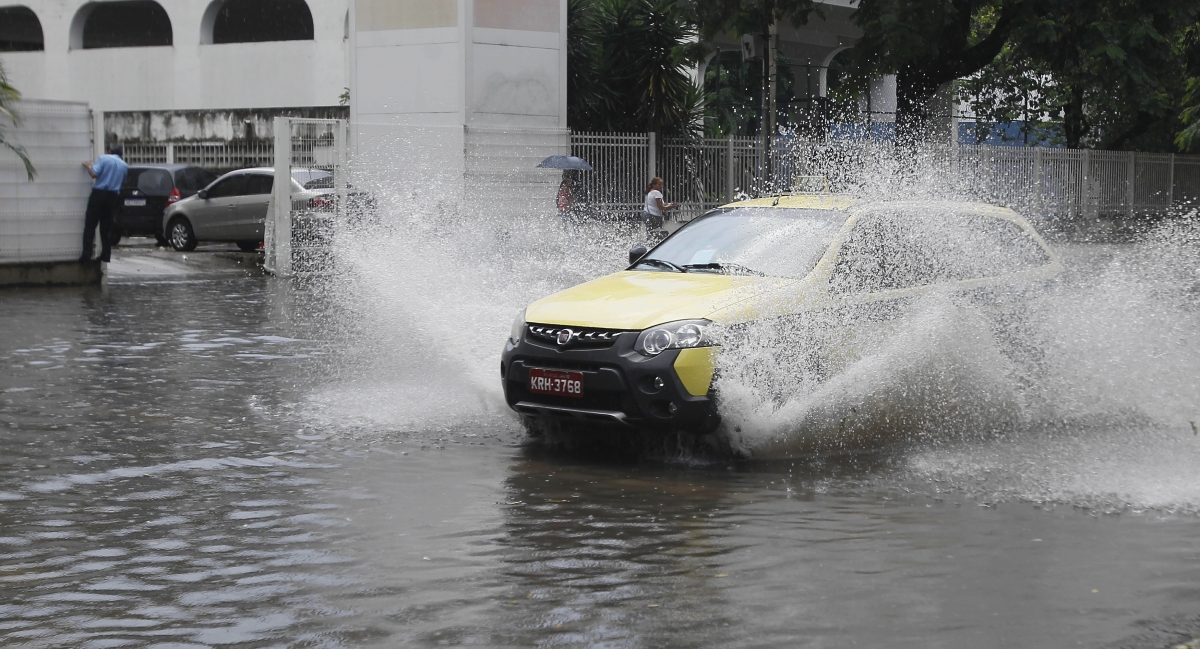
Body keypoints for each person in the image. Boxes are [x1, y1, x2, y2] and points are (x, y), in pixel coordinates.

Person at [80, 144, 128, 263]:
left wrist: (88, 166)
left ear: (109, 151)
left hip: (99, 194)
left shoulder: (104, 158)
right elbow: (123, 181)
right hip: (112, 197)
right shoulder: (124, 165)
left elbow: (93, 174)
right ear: (121, 154)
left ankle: (87, 255)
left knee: (90, 224)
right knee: (106, 227)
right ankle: (106, 255)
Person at [641, 176, 678, 243]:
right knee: (657, 233)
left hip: (646, 214)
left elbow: (654, 205)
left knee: (650, 233)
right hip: (653, 215)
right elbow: (661, 207)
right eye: (659, 184)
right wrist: (670, 206)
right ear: (654, 185)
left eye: (662, 184)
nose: (661, 186)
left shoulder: (649, 192)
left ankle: (649, 245)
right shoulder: (656, 193)